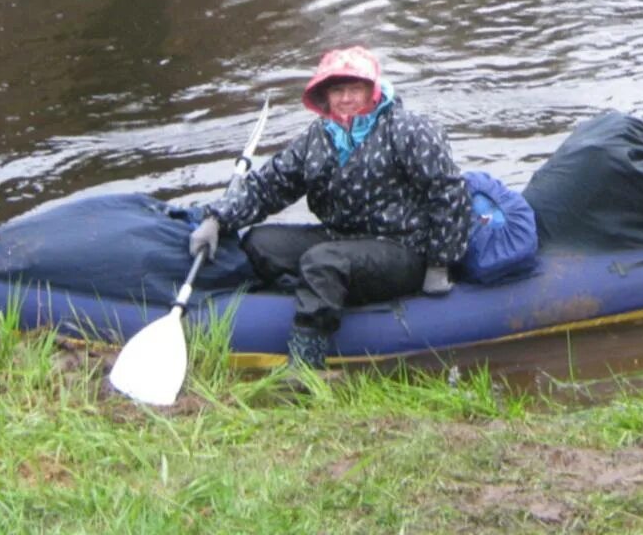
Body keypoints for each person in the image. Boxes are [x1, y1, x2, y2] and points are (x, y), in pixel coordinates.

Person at [187, 46, 470, 368]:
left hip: (403, 248)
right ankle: (315, 298)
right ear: (325, 95)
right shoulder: (319, 137)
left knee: (324, 262)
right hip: (342, 238)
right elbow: (269, 185)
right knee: (260, 243)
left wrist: (440, 263)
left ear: (372, 91)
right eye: (338, 90)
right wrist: (216, 219)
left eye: (355, 89)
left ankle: (307, 364)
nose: (346, 98)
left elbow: (449, 193)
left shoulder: (409, 130)